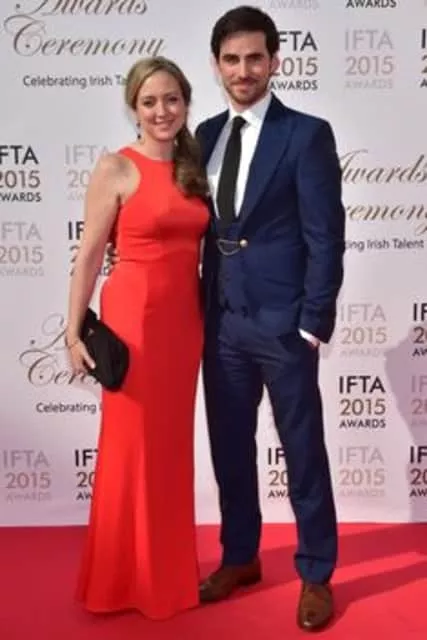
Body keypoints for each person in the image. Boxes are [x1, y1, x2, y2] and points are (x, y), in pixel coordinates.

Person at [196, 6, 345, 632]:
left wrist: (312, 322)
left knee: (302, 451)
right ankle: (240, 556)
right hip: (221, 323)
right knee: (230, 448)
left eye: (254, 58)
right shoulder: (204, 134)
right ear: (217, 66)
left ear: (275, 61)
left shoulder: (305, 134)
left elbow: (326, 235)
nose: (243, 70)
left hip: (285, 325)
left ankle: (316, 572)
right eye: (231, 59)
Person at [65, 56, 209, 620]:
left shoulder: (194, 167)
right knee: (130, 449)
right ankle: (119, 581)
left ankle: (165, 577)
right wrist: (72, 331)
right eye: (149, 102)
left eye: (171, 99)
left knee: (170, 452)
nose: (161, 111)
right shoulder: (115, 168)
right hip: (134, 325)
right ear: (134, 108)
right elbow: (89, 255)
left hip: (184, 327)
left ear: (186, 102)